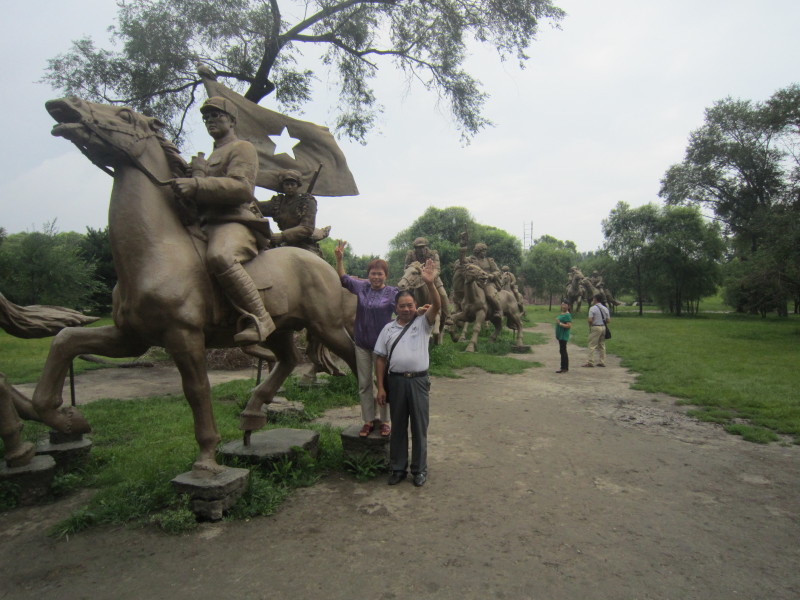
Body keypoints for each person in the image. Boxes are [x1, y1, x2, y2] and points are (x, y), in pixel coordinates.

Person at [171, 96, 274, 344]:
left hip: (233, 222)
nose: (210, 121)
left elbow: (242, 189)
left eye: (217, 115)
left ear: (232, 121)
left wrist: (198, 184)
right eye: (206, 117)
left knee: (221, 256)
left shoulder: (242, 148)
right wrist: (194, 176)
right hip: (205, 224)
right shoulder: (208, 158)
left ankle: (261, 319)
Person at [375, 259, 440, 488]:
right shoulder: (388, 329)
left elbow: (437, 305)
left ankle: (419, 470)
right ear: (396, 308)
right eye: (402, 306)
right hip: (396, 383)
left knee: (419, 428)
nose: (406, 309)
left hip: (419, 382)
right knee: (399, 427)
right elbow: (380, 358)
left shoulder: (423, 323)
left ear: (415, 306)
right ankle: (398, 468)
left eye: (410, 305)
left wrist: (430, 283)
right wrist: (381, 387)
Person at [335, 240, 398, 437]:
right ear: (368, 274)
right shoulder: (362, 287)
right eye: (373, 273)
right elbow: (344, 279)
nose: (376, 277)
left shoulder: (392, 293)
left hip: (383, 347)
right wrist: (339, 259)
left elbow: (404, 312)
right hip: (361, 343)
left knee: (383, 383)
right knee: (364, 384)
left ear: (386, 275)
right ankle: (368, 420)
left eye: (380, 274)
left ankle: (385, 421)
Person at [257, 170, 322, 257]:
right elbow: (257, 207)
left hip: (305, 245)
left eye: (292, 184)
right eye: (286, 184)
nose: (289, 187)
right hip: (284, 244)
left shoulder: (308, 201)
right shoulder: (278, 202)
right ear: (282, 186)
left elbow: (307, 228)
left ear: (298, 185)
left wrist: (283, 236)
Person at [404, 237, 451, 323]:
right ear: (415, 248)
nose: (421, 249)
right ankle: (407, 315)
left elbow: (437, 269)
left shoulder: (433, 254)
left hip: (432, 278)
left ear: (426, 246)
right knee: (405, 294)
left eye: (423, 247)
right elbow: (406, 268)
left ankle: (448, 316)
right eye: (418, 247)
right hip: (415, 279)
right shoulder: (410, 255)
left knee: (443, 294)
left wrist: (430, 277)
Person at [583, 293, 610, 367]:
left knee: (592, 345)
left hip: (595, 327)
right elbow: (608, 320)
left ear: (595, 299)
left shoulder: (592, 308)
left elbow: (590, 320)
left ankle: (590, 362)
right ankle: (602, 361)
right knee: (602, 345)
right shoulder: (605, 308)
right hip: (603, 327)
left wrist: (590, 326)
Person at [555, 301, 572, 373]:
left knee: (563, 351)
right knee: (562, 351)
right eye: (562, 305)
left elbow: (569, 325)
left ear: (568, 306)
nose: (563, 306)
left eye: (565, 305)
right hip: (560, 335)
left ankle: (564, 368)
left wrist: (560, 323)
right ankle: (563, 367)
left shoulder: (567, 315)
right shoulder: (562, 313)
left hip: (563, 335)